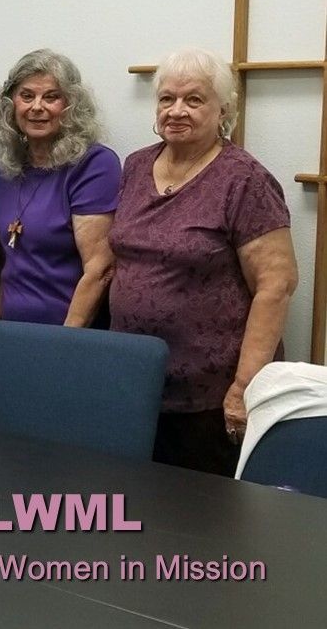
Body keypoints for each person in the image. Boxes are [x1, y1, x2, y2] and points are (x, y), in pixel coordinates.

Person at [109, 48, 298, 475]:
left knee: (202, 521)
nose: (177, 111)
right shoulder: (136, 165)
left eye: (194, 100)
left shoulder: (244, 179)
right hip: (135, 380)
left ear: (223, 111)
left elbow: (277, 284)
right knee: (136, 501)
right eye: (166, 99)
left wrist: (243, 389)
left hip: (209, 396)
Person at [0, 49, 120, 327]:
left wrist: (63, 342)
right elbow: (5, 263)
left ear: (71, 106)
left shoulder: (94, 165)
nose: (37, 107)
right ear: (11, 104)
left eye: (51, 97)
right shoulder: (4, 171)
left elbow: (100, 270)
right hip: (11, 332)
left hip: (69, 334)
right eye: (26, 96)